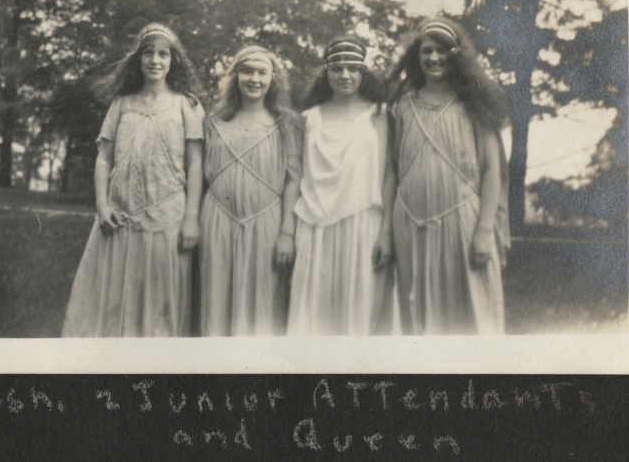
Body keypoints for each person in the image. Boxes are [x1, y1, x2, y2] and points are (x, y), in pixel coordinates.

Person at [61, 23, 205, 338]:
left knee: (161, 305)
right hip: (120, 215)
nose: (155, 60)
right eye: (148, 53)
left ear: (173, 60)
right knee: (112, 303)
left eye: (163, 54)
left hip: (169, 216)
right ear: (138, 59)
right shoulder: (122, 103)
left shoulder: (187, 105)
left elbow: (196, 164)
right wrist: (102, 204)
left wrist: (191, 218)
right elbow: (104, 158)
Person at [386, 17, 510, 335]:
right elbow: (392, 173)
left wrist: (484, 230)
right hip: (409, 226)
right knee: (417, 320)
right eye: (426, 51)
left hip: (463, 225)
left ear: (456, 56)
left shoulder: (474, 106)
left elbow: (492, 172)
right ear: (417, 57)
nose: (434, 58)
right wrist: (386, 231)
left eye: (442, 50)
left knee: (471, 315)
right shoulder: (402, 108)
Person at [287, 36, 396, 335]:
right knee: (313, 314)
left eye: (353, 68)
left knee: (356, 313)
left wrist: (385, 232)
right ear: (327, 73)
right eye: (337, 68)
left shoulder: (379, 115)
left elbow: (388, 175)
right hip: (314, 226)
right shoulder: (308, 118)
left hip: (362, 225)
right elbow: (295, 175)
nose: (345, 75)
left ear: (363, 72)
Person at [199, 46, 302, 336]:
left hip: (267, 222)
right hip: (217, 219)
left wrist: (286, 233)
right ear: (235, 77)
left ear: (274, 79)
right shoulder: (213, 123)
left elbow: (293, 180)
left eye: (262, 72)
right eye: (247, 71)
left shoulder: (287, 124)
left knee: (265, 303)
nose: (254, 79)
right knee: (216, 300)